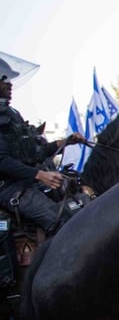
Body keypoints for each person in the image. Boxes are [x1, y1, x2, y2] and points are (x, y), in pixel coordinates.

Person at [0, 76, 85, 234]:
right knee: (62, 222)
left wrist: (64, 142)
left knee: (83, 201)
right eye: (4, 78)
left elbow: (33, 153)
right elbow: (2, 161)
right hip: (8, 188)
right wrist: (39, 175)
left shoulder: (11, 114)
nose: (9, 83)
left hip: (28, 180)